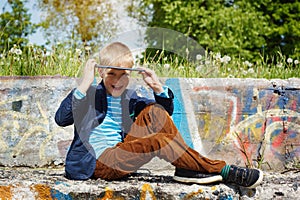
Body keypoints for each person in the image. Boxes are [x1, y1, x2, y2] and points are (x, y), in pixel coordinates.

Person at [55, 42, 263, 188]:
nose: (118, 80)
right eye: (112, 74)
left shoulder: (130, 98)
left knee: (154, 110)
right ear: (101, 72)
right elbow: (61, 118)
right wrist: (84, 83)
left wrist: (157, 87)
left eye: (123, 75)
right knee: (158, 141)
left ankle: (187, 168)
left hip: (120, 151)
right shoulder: (88, 95)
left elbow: (164, 114)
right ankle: (221, 170)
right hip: (96, 163)